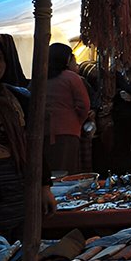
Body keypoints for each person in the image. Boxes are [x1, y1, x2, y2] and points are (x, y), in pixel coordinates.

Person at [0, 41, 56, 238]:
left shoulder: (18, 97)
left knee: (21, 243)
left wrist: (44, 186)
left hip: (18, 180)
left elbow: (34, 144)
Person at [43, 44, 90, 175]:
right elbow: (84, 105)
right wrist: (77, 121)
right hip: (67, 131)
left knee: (50, 171)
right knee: (67, 172)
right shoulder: (71, 77)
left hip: (43, 132)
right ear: (67, 59)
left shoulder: (40, 77)